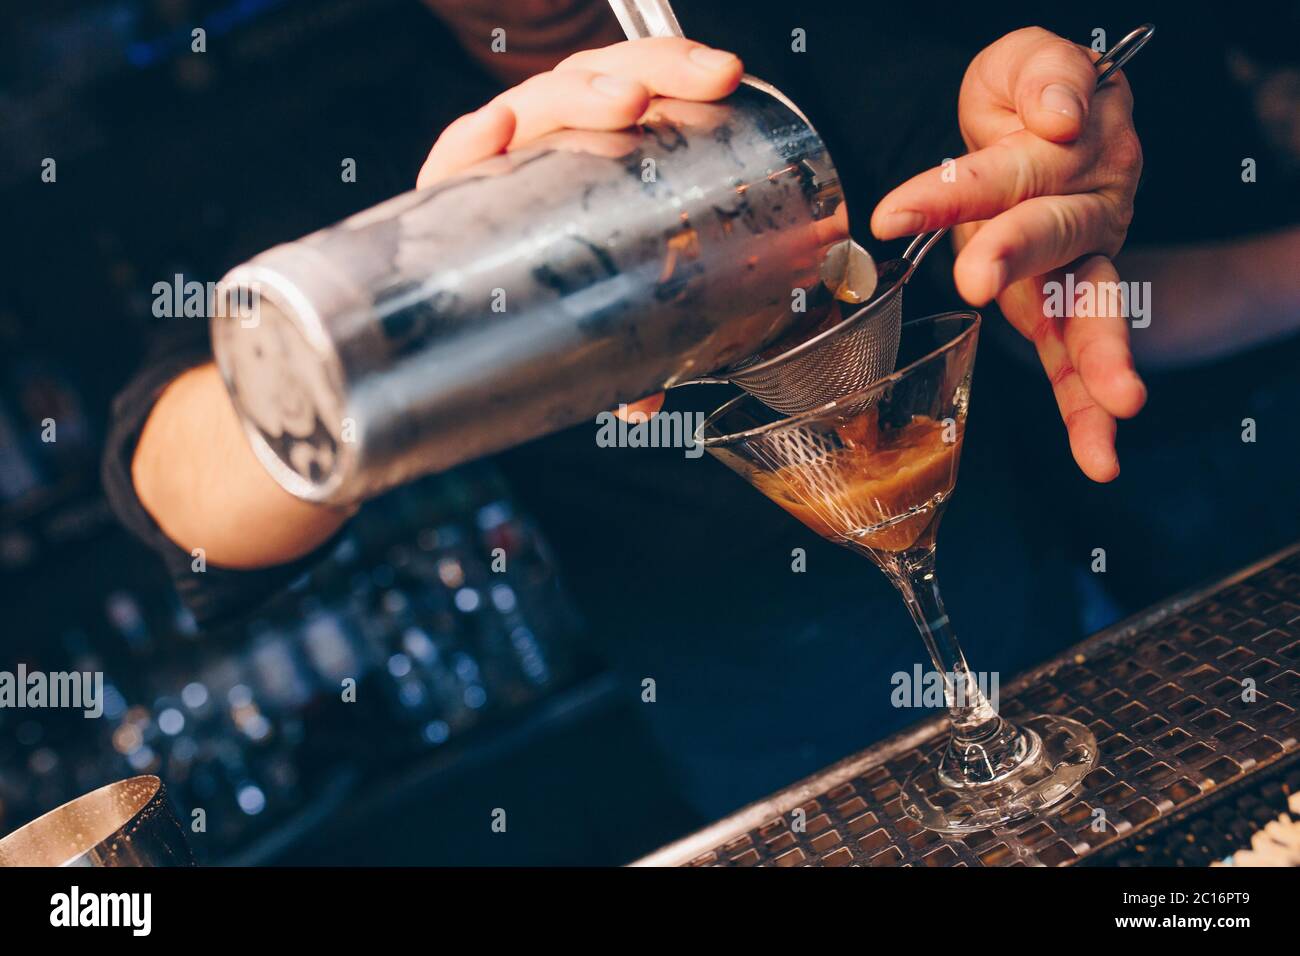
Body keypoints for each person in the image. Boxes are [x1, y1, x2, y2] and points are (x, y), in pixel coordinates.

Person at [104, 7, 1147, 814]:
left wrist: (1044, 143)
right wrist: (433, 288)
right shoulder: (357, 145)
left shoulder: (774, 39)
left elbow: (991, 179)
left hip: (1046, 636)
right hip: (752, 733)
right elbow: (175, 487)